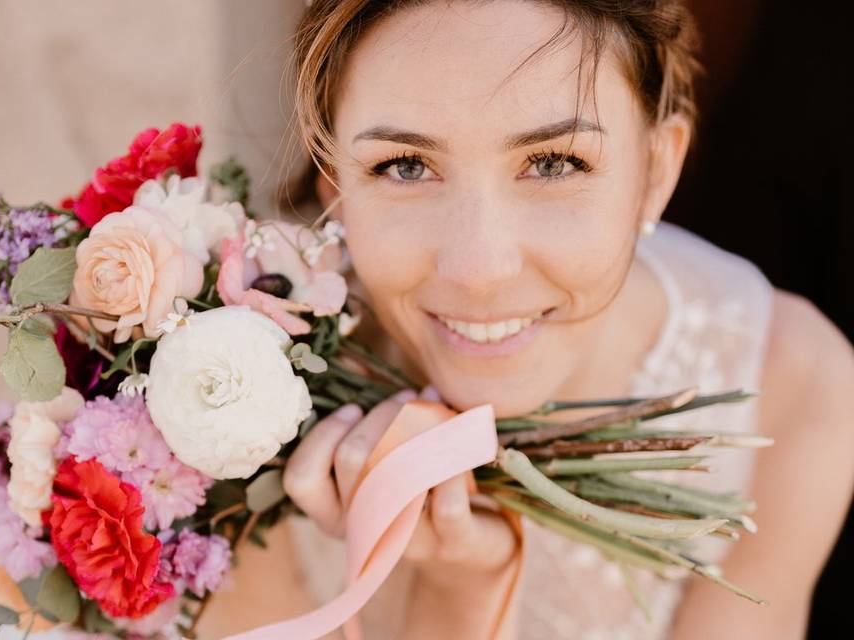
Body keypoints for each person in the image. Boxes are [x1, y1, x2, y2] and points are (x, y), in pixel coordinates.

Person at [199, 1, 854, 638]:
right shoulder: (232, 389)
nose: (479, 269)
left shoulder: (793, 388)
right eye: (404, 166)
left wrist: (463, 598)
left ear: (656, 171)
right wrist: (459, 601)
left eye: (553, 163)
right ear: (334, 184)